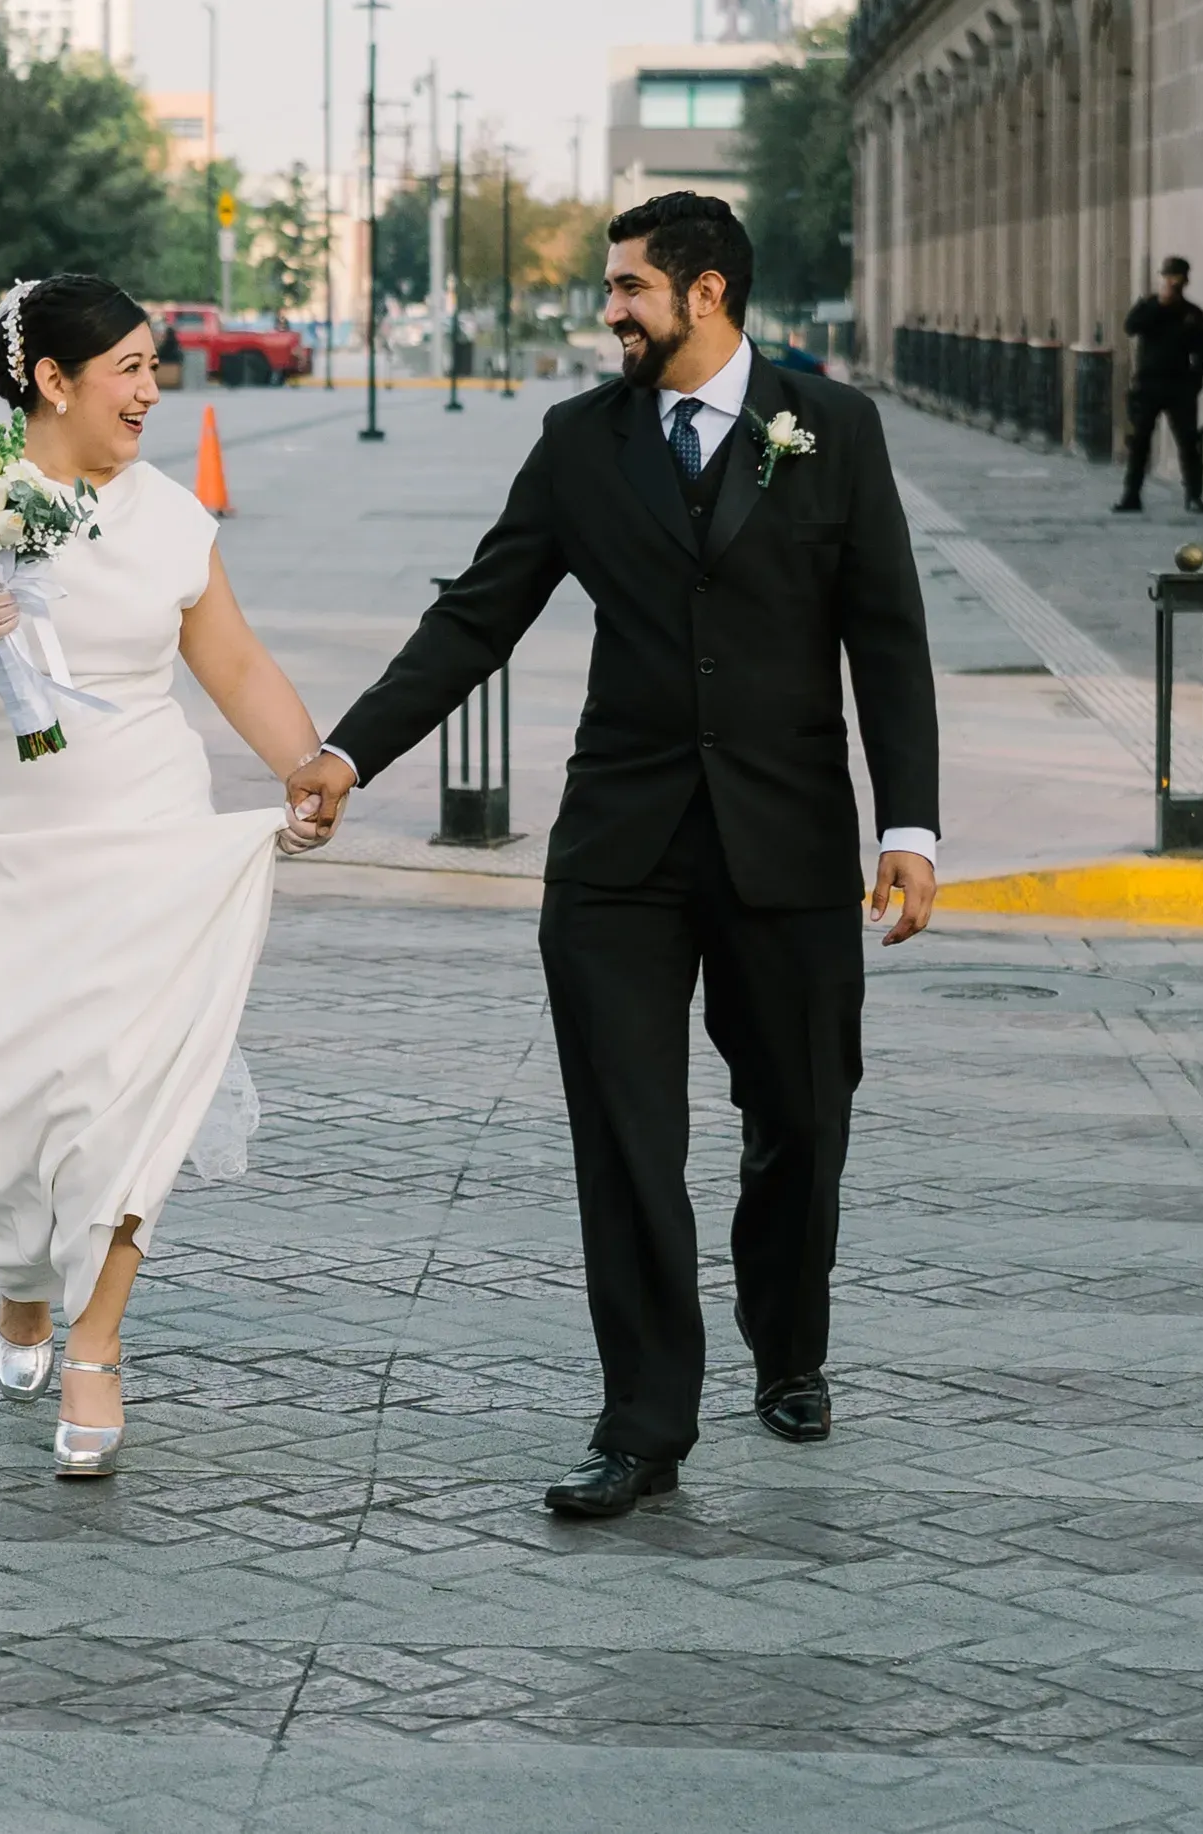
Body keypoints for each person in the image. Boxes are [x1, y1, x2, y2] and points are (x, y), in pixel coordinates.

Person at [284, 191, 939, 1518]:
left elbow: (884, 633)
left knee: (801, 1118)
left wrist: (908, 826)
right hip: (617, 848)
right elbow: (477, 616)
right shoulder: (580, 440)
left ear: (705, 292)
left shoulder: (833, 427)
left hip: (786, 841)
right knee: (627, 1140)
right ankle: (643, 1420)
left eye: (629, 286)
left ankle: (787, 1341)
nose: (610, 310)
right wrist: (347, 752)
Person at [0, 273, 334, 1478]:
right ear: (52, 380)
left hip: (141, 838)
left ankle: (96, 1339)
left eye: (153, 364)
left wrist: (305, 764)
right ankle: (22, 1279)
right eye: (128, 365)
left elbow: (233, 662)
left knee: (122, 1098)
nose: (151, 388)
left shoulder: (172, 517)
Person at [1113, 256, 1203, 516]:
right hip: (1148, 384)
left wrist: (1194, 384)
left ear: (1185, 281)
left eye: (1176, 278)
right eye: (1168, 277)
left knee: (1187, 442)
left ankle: (1194, 495)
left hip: (1179, 385)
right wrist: (1159, 303)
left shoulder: (1192, 313)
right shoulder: (1148, 306)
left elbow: (1201, 352)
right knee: (1139, 442)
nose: (1172, 283)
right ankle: (1131, 495)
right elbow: (1130, 326)